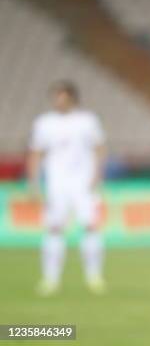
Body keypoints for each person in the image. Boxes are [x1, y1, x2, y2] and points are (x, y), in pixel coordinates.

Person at [28, 80, 106, 296]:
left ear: (72, 97)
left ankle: (94, 277)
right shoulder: (44, 122)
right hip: (56, 184)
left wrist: (96, 176)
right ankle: (50, 279)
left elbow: (99, 148)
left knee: (90, 226)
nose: (58, 100)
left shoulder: (87, 120)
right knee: (54, 228)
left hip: (83, 184)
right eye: (55, 96)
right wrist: (34, 182)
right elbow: (36, 153)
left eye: (62, 96)